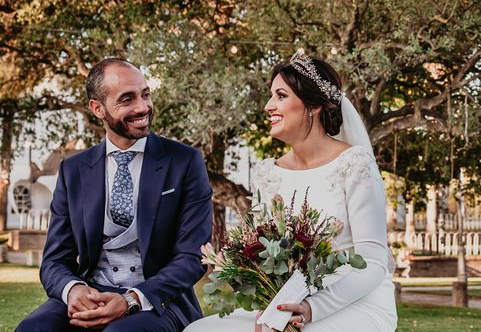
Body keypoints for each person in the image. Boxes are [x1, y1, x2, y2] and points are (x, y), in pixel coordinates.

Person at [186, 50, 397, 332]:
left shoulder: (354, 165)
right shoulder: (266, 174)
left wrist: (312, 308)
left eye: (281, 96)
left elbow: (373, 263)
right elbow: (266, 256)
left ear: (314, 106)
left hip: (356, 302)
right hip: (287, 303)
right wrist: (271, 303)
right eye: (271, 95)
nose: (268, 106)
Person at [17, 58, 212, 332]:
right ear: (97, 108)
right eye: (127, 99)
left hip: (160, 301)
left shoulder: (185, 161)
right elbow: (54, 259)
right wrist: (73, 291)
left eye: (145, 94)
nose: (142, 107)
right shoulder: (73, 170)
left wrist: (131, 299)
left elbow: (193, 256)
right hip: (92, 293)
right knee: (34, 328)